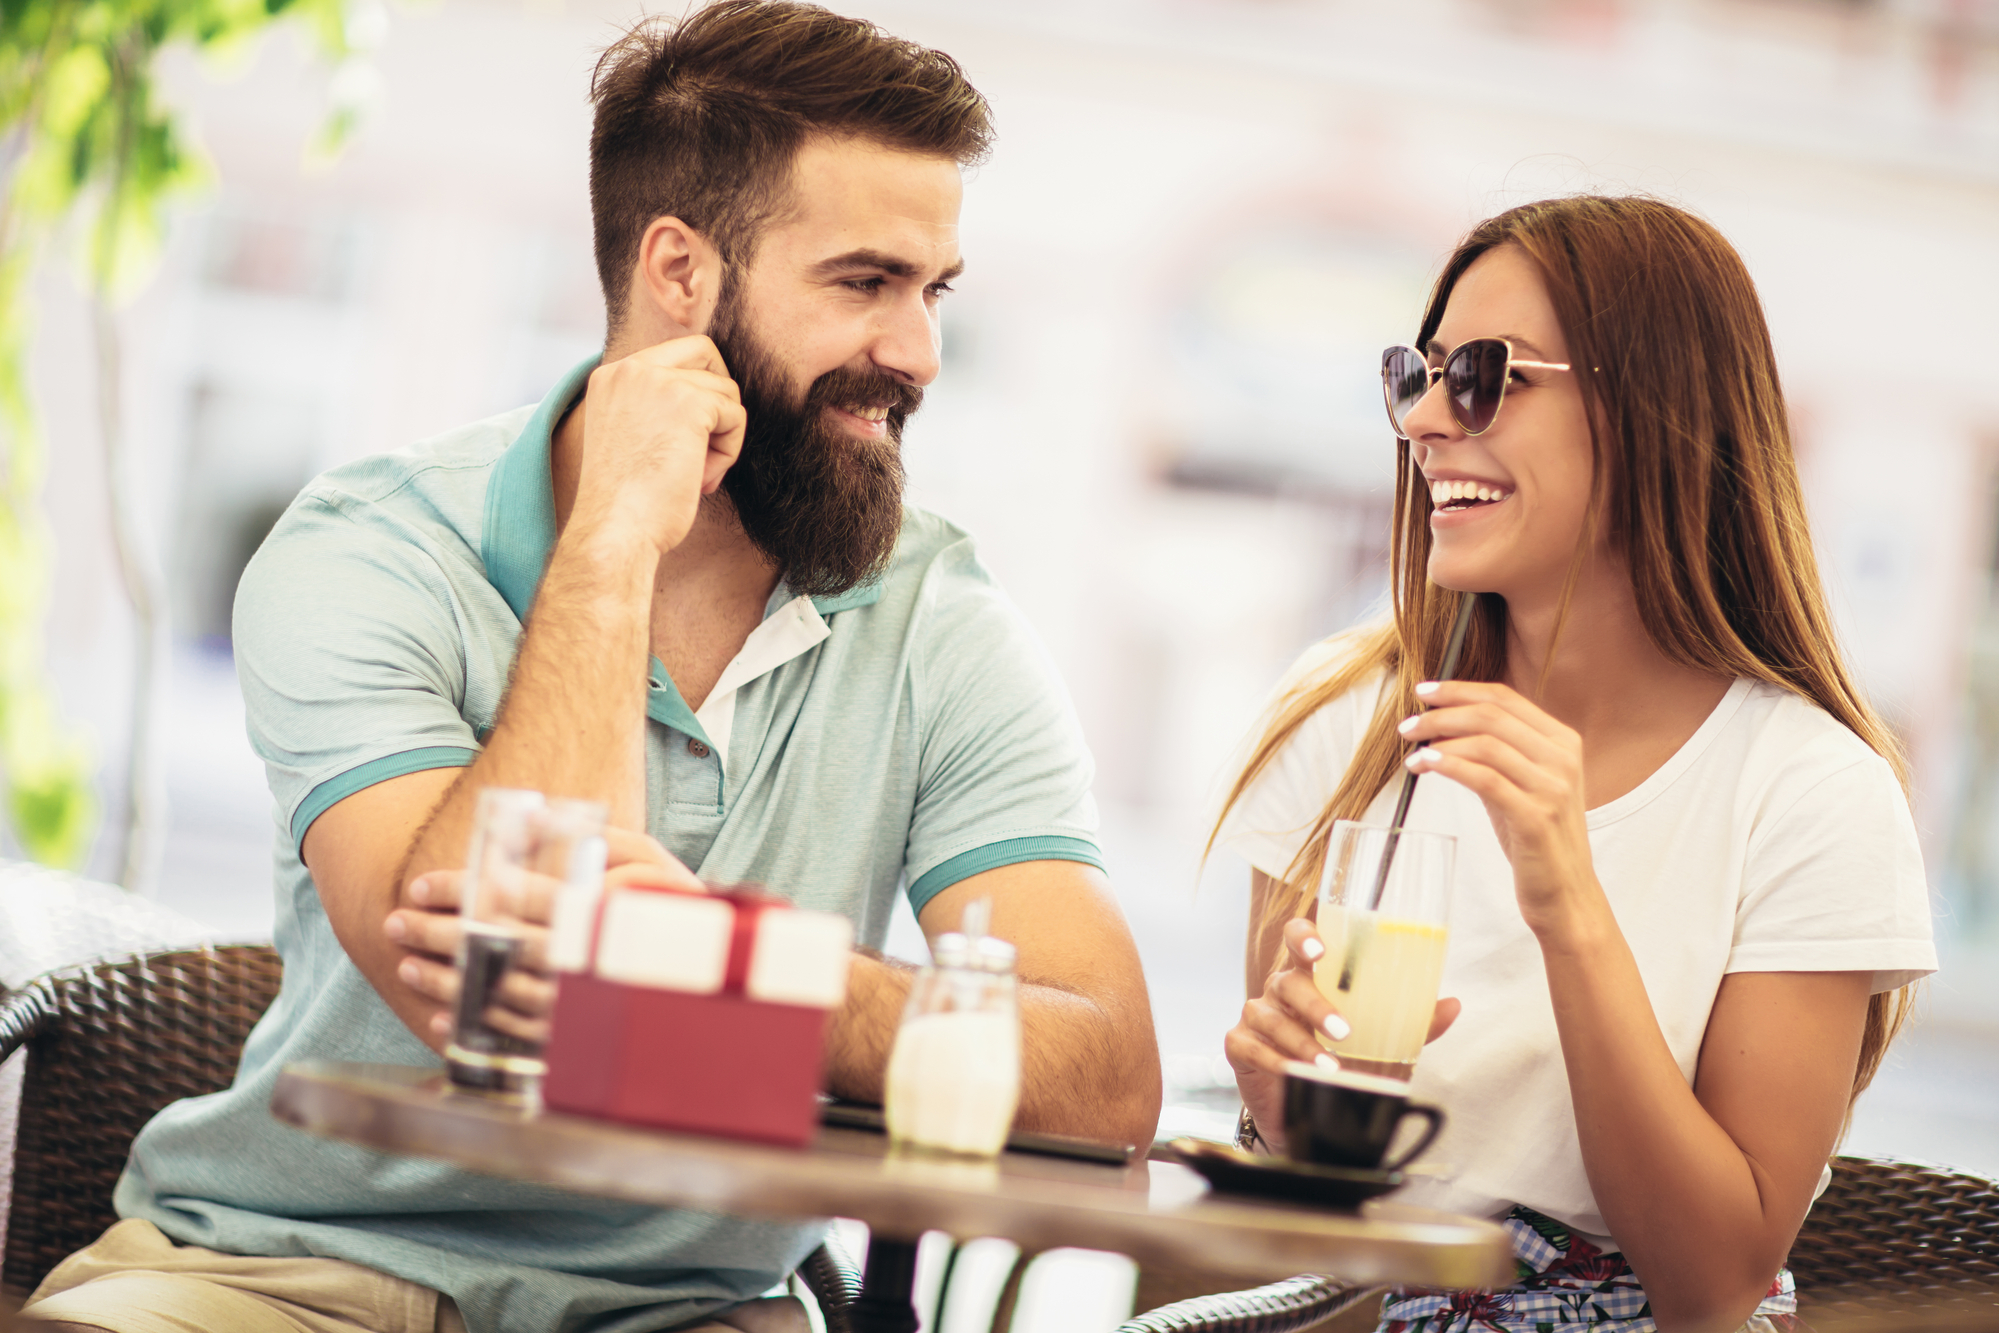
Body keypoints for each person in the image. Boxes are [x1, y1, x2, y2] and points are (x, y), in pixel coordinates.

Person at [19, 4, 1160, 1331]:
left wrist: (730, 963)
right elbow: (490, 994)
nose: (915, 353)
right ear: (678, 270)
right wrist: (612, 543)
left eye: (931, 290)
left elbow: (1103, 1074)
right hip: (280, 1270)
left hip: (686, 1306)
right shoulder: (375, 547)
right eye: (862, 283)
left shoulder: (936, 616)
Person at [1213, 196, 1935, 1333]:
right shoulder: (1350, 722)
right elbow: (1297, 1234)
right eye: (1418, 372)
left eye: (1485, 374)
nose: (1424, 423)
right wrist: (1288, 1125)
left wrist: (1569, 905)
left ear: (1654, 409)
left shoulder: (1810, 792)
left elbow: (1712, 1286)